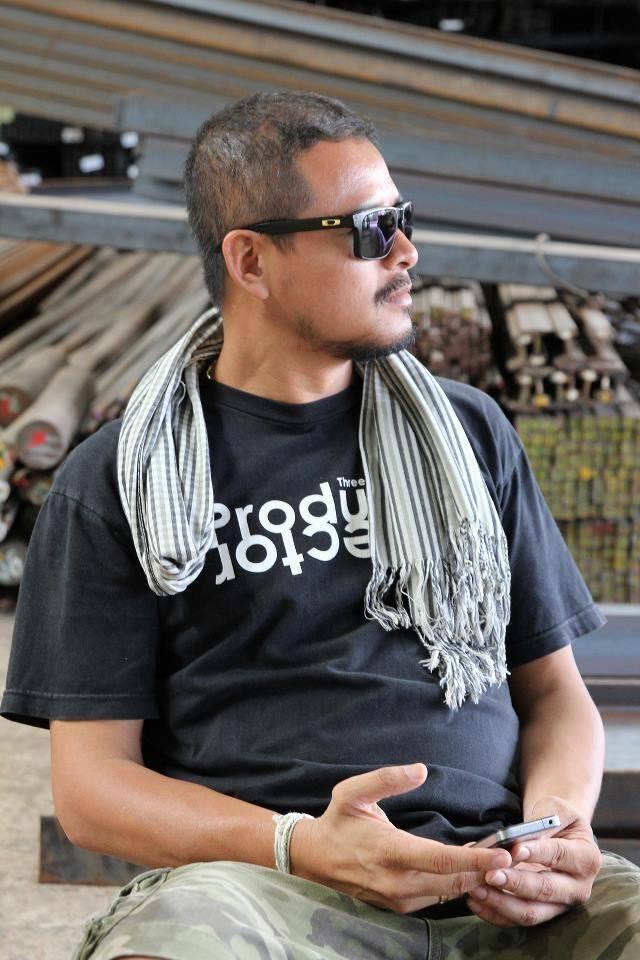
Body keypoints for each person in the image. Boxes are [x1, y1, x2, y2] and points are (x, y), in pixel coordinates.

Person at [1, 91, 639, 960]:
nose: (407, 253)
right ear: (251, 260)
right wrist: (297, 845)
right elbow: (91, 791)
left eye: (402, 220)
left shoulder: (468, 434)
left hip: (495, 876)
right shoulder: (119, 482)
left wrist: (557, 829)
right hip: (269, 892)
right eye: (369, 230)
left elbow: (556, 694)